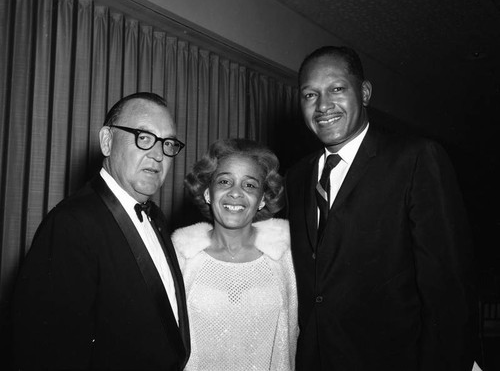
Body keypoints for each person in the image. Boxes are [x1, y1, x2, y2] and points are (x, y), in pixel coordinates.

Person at [286, 46, 477, 371]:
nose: (323, 106)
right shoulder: (295, 177)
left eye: (336, 89)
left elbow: (448, 291)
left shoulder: (416, 159)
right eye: (309, 95)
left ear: (364, 92)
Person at [11, 92, 190, 370]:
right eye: (144, 137)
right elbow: (44, 352)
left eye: (168, 143)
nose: (158, 154)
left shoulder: (157, 219)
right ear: (107, 141)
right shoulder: (72, 223)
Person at [172, 138, 298, 371]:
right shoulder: (179, 259)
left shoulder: (287, 257)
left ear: (262, 199)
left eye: (249, 185)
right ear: (208, 193)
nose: (236, 193)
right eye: (225, 181)